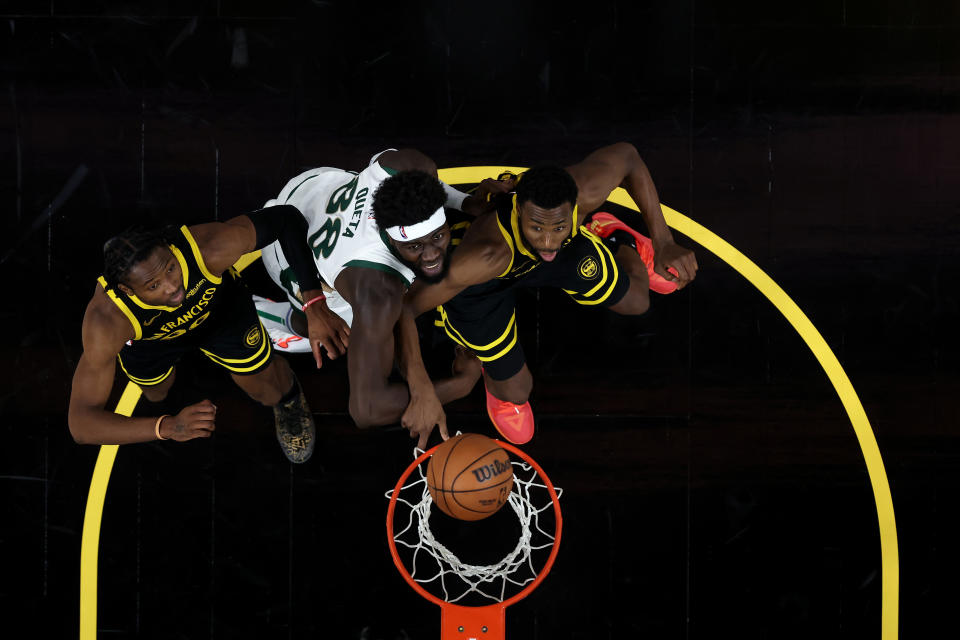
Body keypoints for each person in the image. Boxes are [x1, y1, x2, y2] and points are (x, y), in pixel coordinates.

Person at [398, 142, 699, 445]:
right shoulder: (482, 256)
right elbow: (406, 308)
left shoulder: (584, 194)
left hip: (551, 258)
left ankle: (616, 236)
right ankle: (489, 368)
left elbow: (629, 156)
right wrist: (421, 386)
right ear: (519, 210)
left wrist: (663, 242)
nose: (548, 241)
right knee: (516, 391)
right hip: (483, 286)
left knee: (637, 301)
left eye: (558, 227)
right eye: (537, 227)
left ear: (575, 207)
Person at [68, 205, 346, 463]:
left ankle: (288, 399)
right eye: (153, 286)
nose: (172, 286)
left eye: (170, 268)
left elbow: (285, 219)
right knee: (156, 393)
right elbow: (81, 425)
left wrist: (314, 303)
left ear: (170, 249)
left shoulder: (207, 248)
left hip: (219, 313)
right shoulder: (108, 322)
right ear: (128, 291)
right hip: (152, 341)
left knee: (267, 389)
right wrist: (167, 427)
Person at [255, 149, 486, 447]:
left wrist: (467, 202)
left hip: (311, 188)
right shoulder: (376, 290)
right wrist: (459, 386)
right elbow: (367, 410)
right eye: (414, 247)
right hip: (287, 254)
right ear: (391, 238)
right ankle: (280, 320)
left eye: (438, 237)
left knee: (389, 312)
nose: (430, 256)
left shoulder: (409, 167)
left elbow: (422, 184)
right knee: (340, 331)